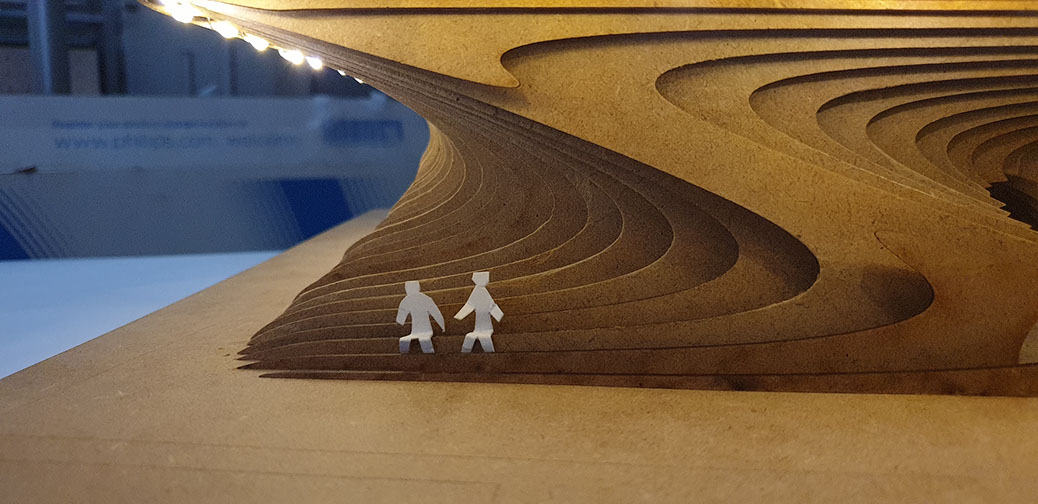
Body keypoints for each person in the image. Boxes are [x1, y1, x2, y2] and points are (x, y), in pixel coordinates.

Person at [454, 271, 504, 353]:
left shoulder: (482, 292)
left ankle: (489, 353)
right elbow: (470, 305)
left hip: (486, 326)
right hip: (478, 325)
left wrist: (498, 315)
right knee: (469, 336)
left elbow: (491, 305)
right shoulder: (477, 292)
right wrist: (460, 315)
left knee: (484, 337)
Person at [395, 280, 445, 353]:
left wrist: (442, 326)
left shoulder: (425, 299)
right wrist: (442, 326)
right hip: (415, 330)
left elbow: (436, 313)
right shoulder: (406, 301)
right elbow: (401, 317)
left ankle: (430, 355)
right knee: (403, 340)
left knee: (424, 339)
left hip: (426, 330)